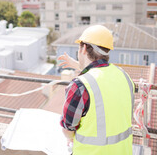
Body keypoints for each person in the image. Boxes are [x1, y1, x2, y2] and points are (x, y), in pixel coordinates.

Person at [58, 25, 135, 154]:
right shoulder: (124, 76)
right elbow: (101, 76)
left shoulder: (79, 86)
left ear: (83, 48)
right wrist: (78, 65)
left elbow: (68, 130)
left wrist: (71, 138)